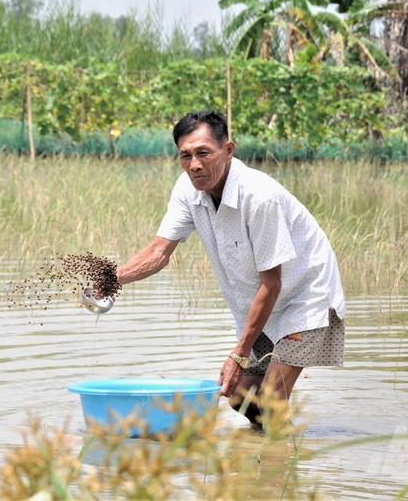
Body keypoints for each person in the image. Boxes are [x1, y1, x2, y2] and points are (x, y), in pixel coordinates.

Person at [115, 110, 345, 426]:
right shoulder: (187, 190)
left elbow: (273, 283)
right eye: (186, 156)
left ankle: (283, 468)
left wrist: (238, 354)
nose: (195, 164)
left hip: (303, 291)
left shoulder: (258, 197)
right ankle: (265, 457)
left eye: (203, 153)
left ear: (228, 150)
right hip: (261, 301)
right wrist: (113, 279)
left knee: (271, 402)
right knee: (240, 398)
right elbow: (158, 251)